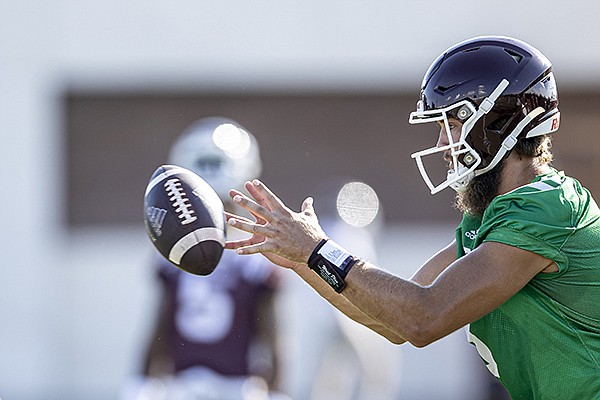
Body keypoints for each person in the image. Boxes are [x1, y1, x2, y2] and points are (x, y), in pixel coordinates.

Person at [223, 36, 600, 399]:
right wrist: (303, 259)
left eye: (450, 124)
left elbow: (424, 318)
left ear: (499, 123)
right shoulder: (496, 216)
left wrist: (316, 249)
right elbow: (393, 319)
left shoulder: (545, 208)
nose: (441, 145)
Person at [123, 117, 287, 400]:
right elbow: (274, 337)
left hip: (184, 388)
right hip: (236, 388)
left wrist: (140, 381)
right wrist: (278, 389)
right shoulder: (258, 254)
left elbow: (159, 327)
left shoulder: (172, 253)